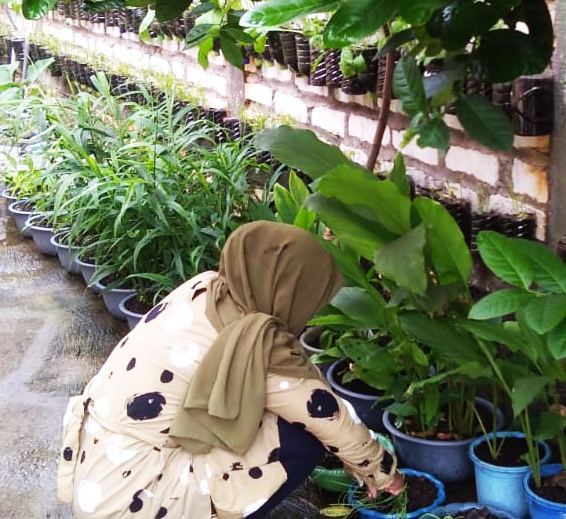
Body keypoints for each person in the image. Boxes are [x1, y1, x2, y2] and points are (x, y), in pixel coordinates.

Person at [57, 221, 404, 518]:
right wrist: (382, 471)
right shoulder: (256, 341)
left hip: (98, 473)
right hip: (139, 495)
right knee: (302, 439)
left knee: (257, 408)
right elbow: (325, 414)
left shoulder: (205, 287)